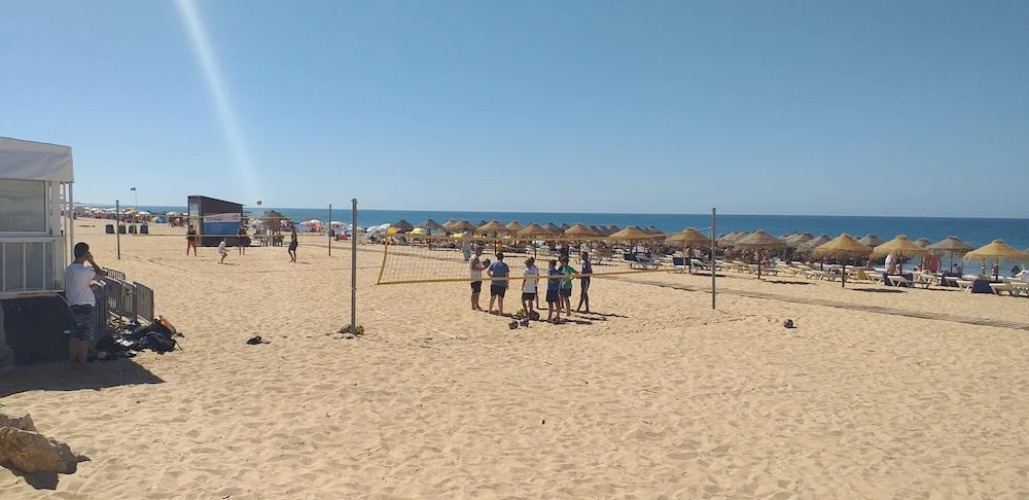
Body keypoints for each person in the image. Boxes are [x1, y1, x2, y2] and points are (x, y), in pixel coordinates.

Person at [65, 242, 104, 368]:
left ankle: (72, 362)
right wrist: (92, 262)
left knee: (75, 335)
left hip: (73, 304)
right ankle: (82, 363)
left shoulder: (69, 269)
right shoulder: (82, 270)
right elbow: (101, 275)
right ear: (85, 254)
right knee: (84, 337)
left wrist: (89, 288)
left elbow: (77, 286)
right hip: (84, 306)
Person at [469, 246, 485, 311]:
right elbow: (472, 267)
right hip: (474, 278)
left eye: (481, 251)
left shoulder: (476, 257)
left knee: (477, 292)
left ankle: (477, 305)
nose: (481, 252)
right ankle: (473, 306)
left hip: (477, 277)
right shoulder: (474, 258)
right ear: (476, 251)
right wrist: (483, 268)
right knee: (474, 293)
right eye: (480, 251)